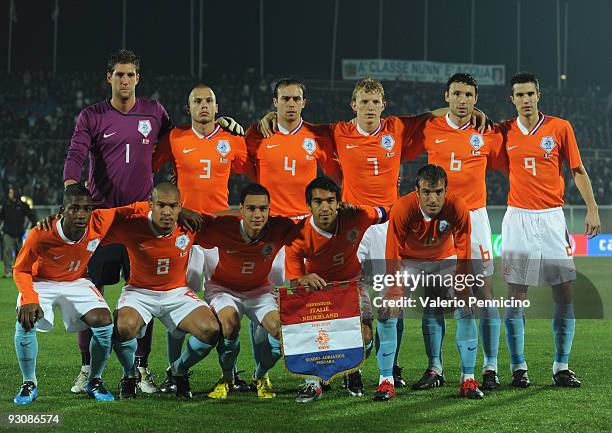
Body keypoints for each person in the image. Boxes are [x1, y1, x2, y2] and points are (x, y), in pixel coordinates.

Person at [63, 49, 173, 394]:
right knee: (89, 293)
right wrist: (71, 188)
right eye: (119, 75)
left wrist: (221, 126)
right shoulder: (92, 115)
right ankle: (87, 368)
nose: (124, 80)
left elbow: (177, 142)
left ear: (138, 78)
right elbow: (76, 152)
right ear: (108, 78)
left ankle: (141, 369)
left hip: (141, 221)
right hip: (103, 221)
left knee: (145, 294)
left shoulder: (154, 112)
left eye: (130, 75)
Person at [499, 72, 600, 388]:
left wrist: (592, 207)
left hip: (552, 217)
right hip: (517, 218)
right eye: (520, 95)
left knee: (564, 291)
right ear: (512, 99)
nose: (526, 99)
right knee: (516, 294)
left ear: (538, 95)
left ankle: (561, 367)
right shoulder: (503, 132)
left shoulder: (560, 128)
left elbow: (577, 169)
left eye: (530, 94)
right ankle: (519, 368)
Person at [407, 73, 505, 390]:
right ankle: (435, 369)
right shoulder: (429, 128)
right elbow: (396, 136)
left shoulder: (487, 132)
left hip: (475, 220)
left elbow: (514, 160)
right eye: (457, 94)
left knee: (484, 294)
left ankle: (490, 367)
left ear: (476, 99)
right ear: (446, 97)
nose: (463, 100)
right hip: (437, 221)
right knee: (434, 297)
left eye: (468, 95)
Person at [152, 84, 251, 393]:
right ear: (189, 108)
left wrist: (242, 134)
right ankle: (175, 374)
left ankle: (230, 376)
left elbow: (251, 167)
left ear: (217, 106)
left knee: (229, 309)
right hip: (186, 238)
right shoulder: (175, 138)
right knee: (178, 311)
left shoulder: (230, 140)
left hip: (219, 237)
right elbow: (149, 168)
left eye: (209, 100)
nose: (204, 105)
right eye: (198, 101)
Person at [12, 184, 145, 404]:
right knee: (25, 320)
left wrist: (160, 207)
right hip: (42, 281)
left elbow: (129, 209)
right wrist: (29, 298)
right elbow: (20, 268)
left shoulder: (99, 221)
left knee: (104, 322)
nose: (81, 214)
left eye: (86, 209)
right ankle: (29, 382)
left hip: (76, 281)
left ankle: (95, 380)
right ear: (62, 210)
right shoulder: (41, 233)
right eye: (74, 208)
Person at [107, 183, 220, 399]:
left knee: (211, 330)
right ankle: (129, 375)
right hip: (139, 293)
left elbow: (225, 226)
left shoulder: (190, 226)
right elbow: (93, 231)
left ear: (180, 208)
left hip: (177, 292)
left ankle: (179, 369)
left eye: (172, 206)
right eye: (161, 205)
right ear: (150, 205)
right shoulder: (133, 226)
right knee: (123, 327)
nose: (167, 212)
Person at [381, 164, 482, 400]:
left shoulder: (457, 207)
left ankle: (465, 377)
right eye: (426, 192)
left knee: (464, 308)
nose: (433, 198)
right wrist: (394, 290)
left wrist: (464, 287)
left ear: (446, 191)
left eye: (438, 192)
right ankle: (386, 379)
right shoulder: (403, 207)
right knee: (388, 310)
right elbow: (392, 250)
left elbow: (463, 249)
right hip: (410, 261)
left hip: (444, 259)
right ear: (417, 192)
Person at [284, 176, 389, 402]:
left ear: (339, 203)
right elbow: (293, 283)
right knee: (313, 332)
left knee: (366, 335)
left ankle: (351, 370)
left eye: (330, 201)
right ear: (308, 205)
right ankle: (312, 382)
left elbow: (388, 211)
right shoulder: (298, 235)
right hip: (318, 288)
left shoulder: (357, 216)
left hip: (352, 283)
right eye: (318, 202)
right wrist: (304, 277)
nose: (325, 207)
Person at [202, 184, 296, 400]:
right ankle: (227, 377)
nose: (257, 215)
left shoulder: (280, 227)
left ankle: (260, 376)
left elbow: (309, 232)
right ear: (241, 209)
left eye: (263, 209)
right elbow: (195, 226)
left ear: (269, 210)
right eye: (251, 209)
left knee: (280, 333)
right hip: (224, 289)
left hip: (259, 291)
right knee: (230, 323)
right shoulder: (224, 227)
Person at [1, 186, 36, 277]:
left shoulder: (22, 205)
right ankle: (7, 271)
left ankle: (16, 270)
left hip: (19, 233)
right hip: (8, 232)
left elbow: (31, 215)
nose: (10, 194)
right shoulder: (5, 205)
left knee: (19, 253)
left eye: (11, 192)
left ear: (16, 193)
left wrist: (34, 225)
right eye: (9, 192)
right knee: (7, 252)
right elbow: (1, 217)